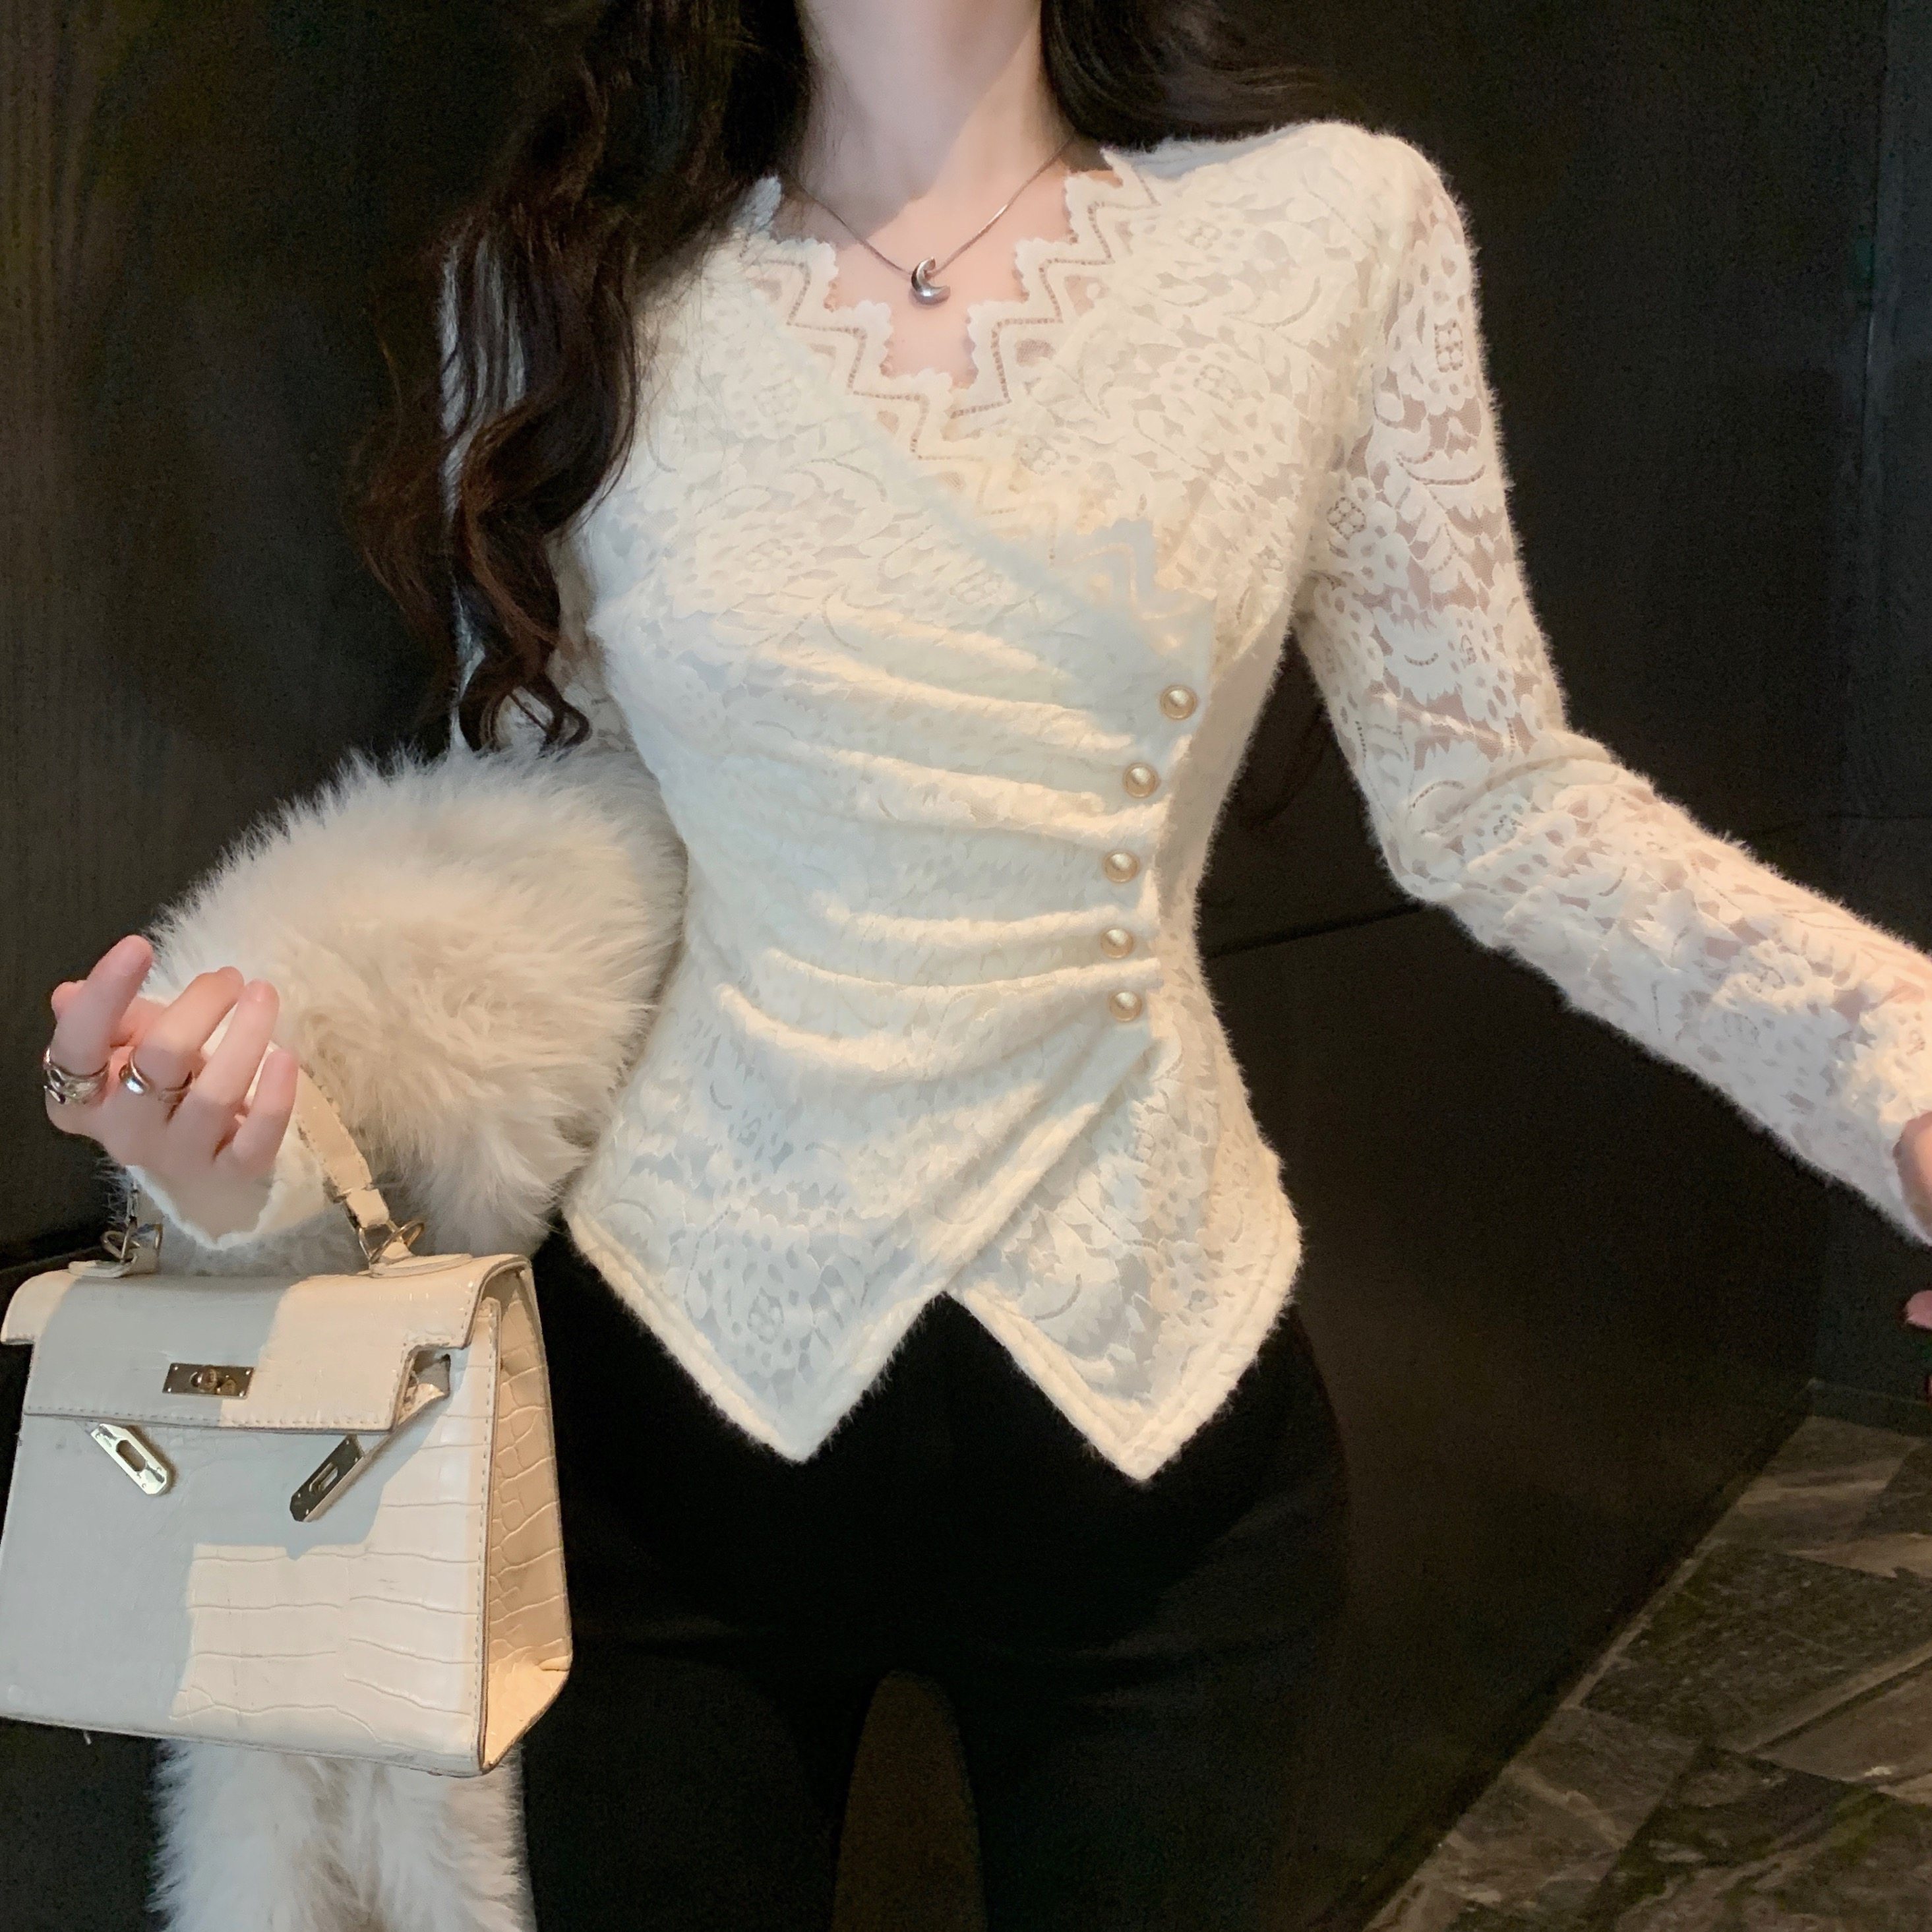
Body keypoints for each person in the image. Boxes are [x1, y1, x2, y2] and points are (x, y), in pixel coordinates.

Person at [37, 2, 1932, 1928]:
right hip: (661, 1447)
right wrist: (269, 1121)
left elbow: (1500, 800)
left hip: (1163, 1432)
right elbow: (561, 830)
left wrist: (1902, 1067)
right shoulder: (556, 292)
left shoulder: (1330, 233)